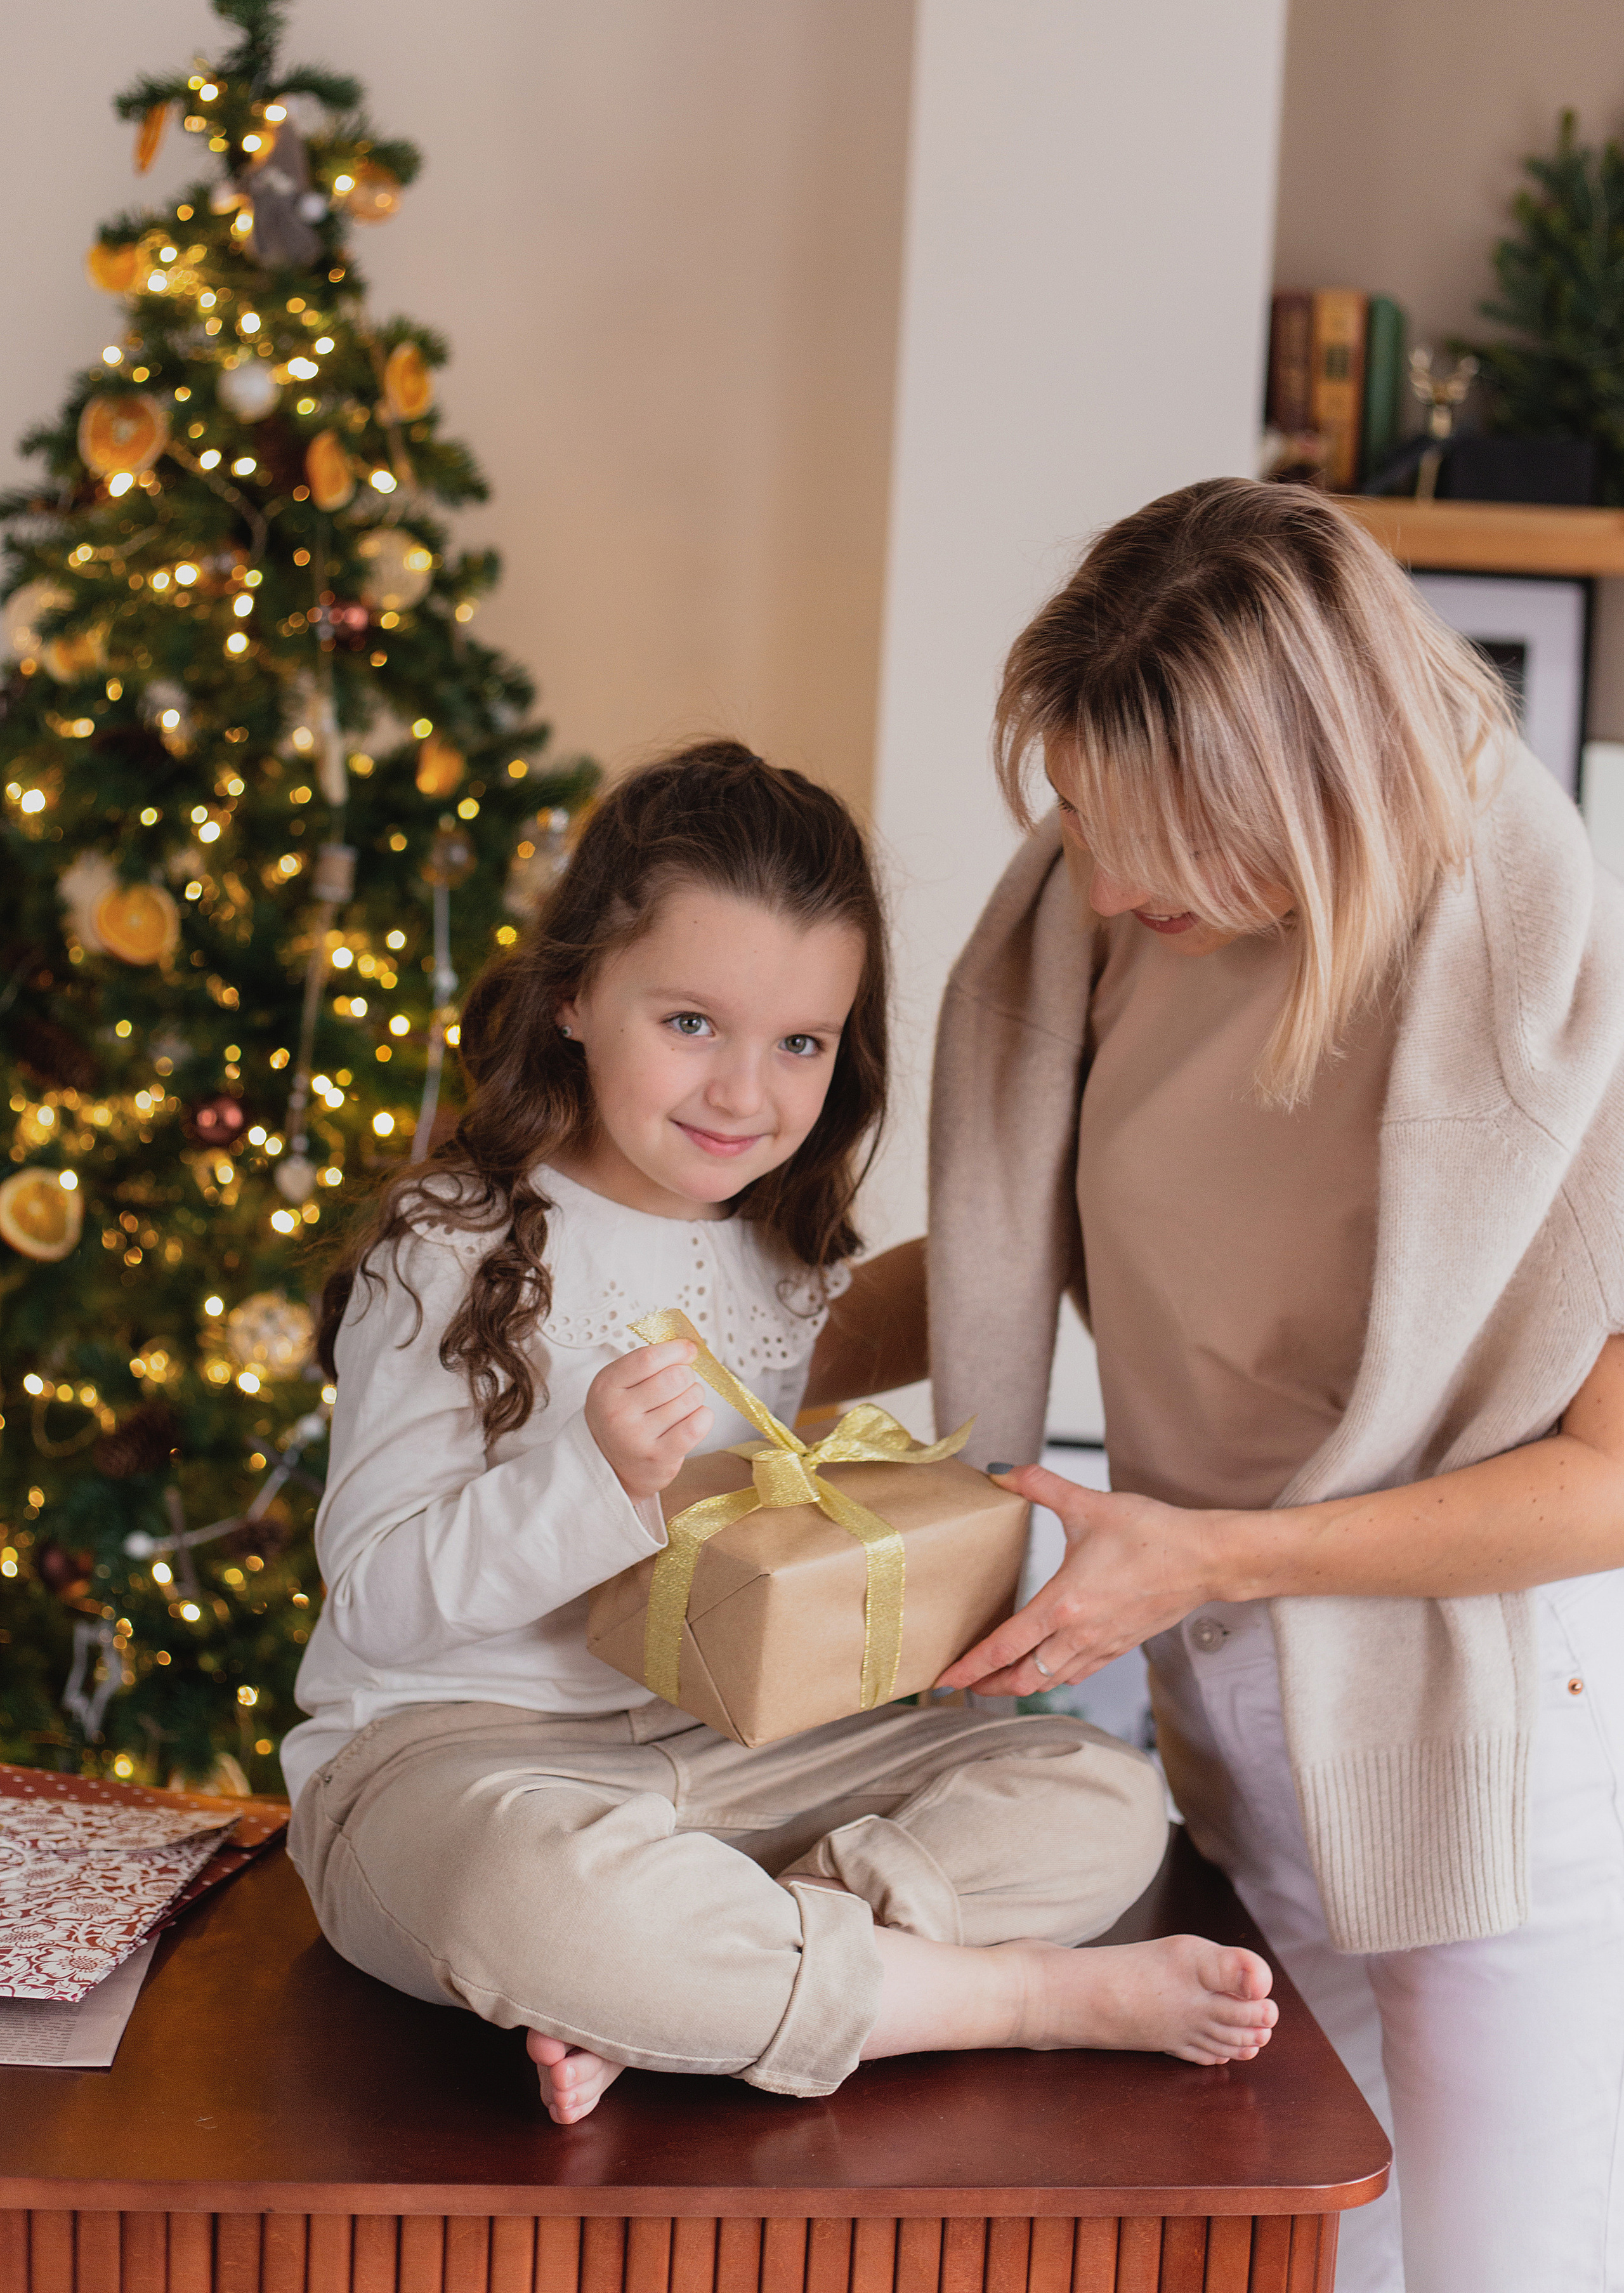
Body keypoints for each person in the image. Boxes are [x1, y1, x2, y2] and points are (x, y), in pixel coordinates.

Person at [830, 478, 1624, 2293]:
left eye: (1164, 843)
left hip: (1487, 1734)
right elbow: (1009, 1251)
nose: (1102, 884)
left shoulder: (1552, 978)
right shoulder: (1105, 909)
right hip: (1236, 1716)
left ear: (1321, 793)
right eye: (1090, 821)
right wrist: (685, 1343)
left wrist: (1214, 1563)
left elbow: (1612, 1477)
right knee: (1294, 2265)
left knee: (1510, 2272)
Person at [282, 739, 1275, 2130]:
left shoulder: (782, 1260)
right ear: (574, 993)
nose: (742, 1095)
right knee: (530, 1903)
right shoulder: (451, 1245)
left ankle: (718, 1979)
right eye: (689, 1022)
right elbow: (379, 1609)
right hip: (463, 1760)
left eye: (798, 1044)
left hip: (738, 1764)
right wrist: (593, 1480)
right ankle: (1008, 1996)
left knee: (1096, 1792)